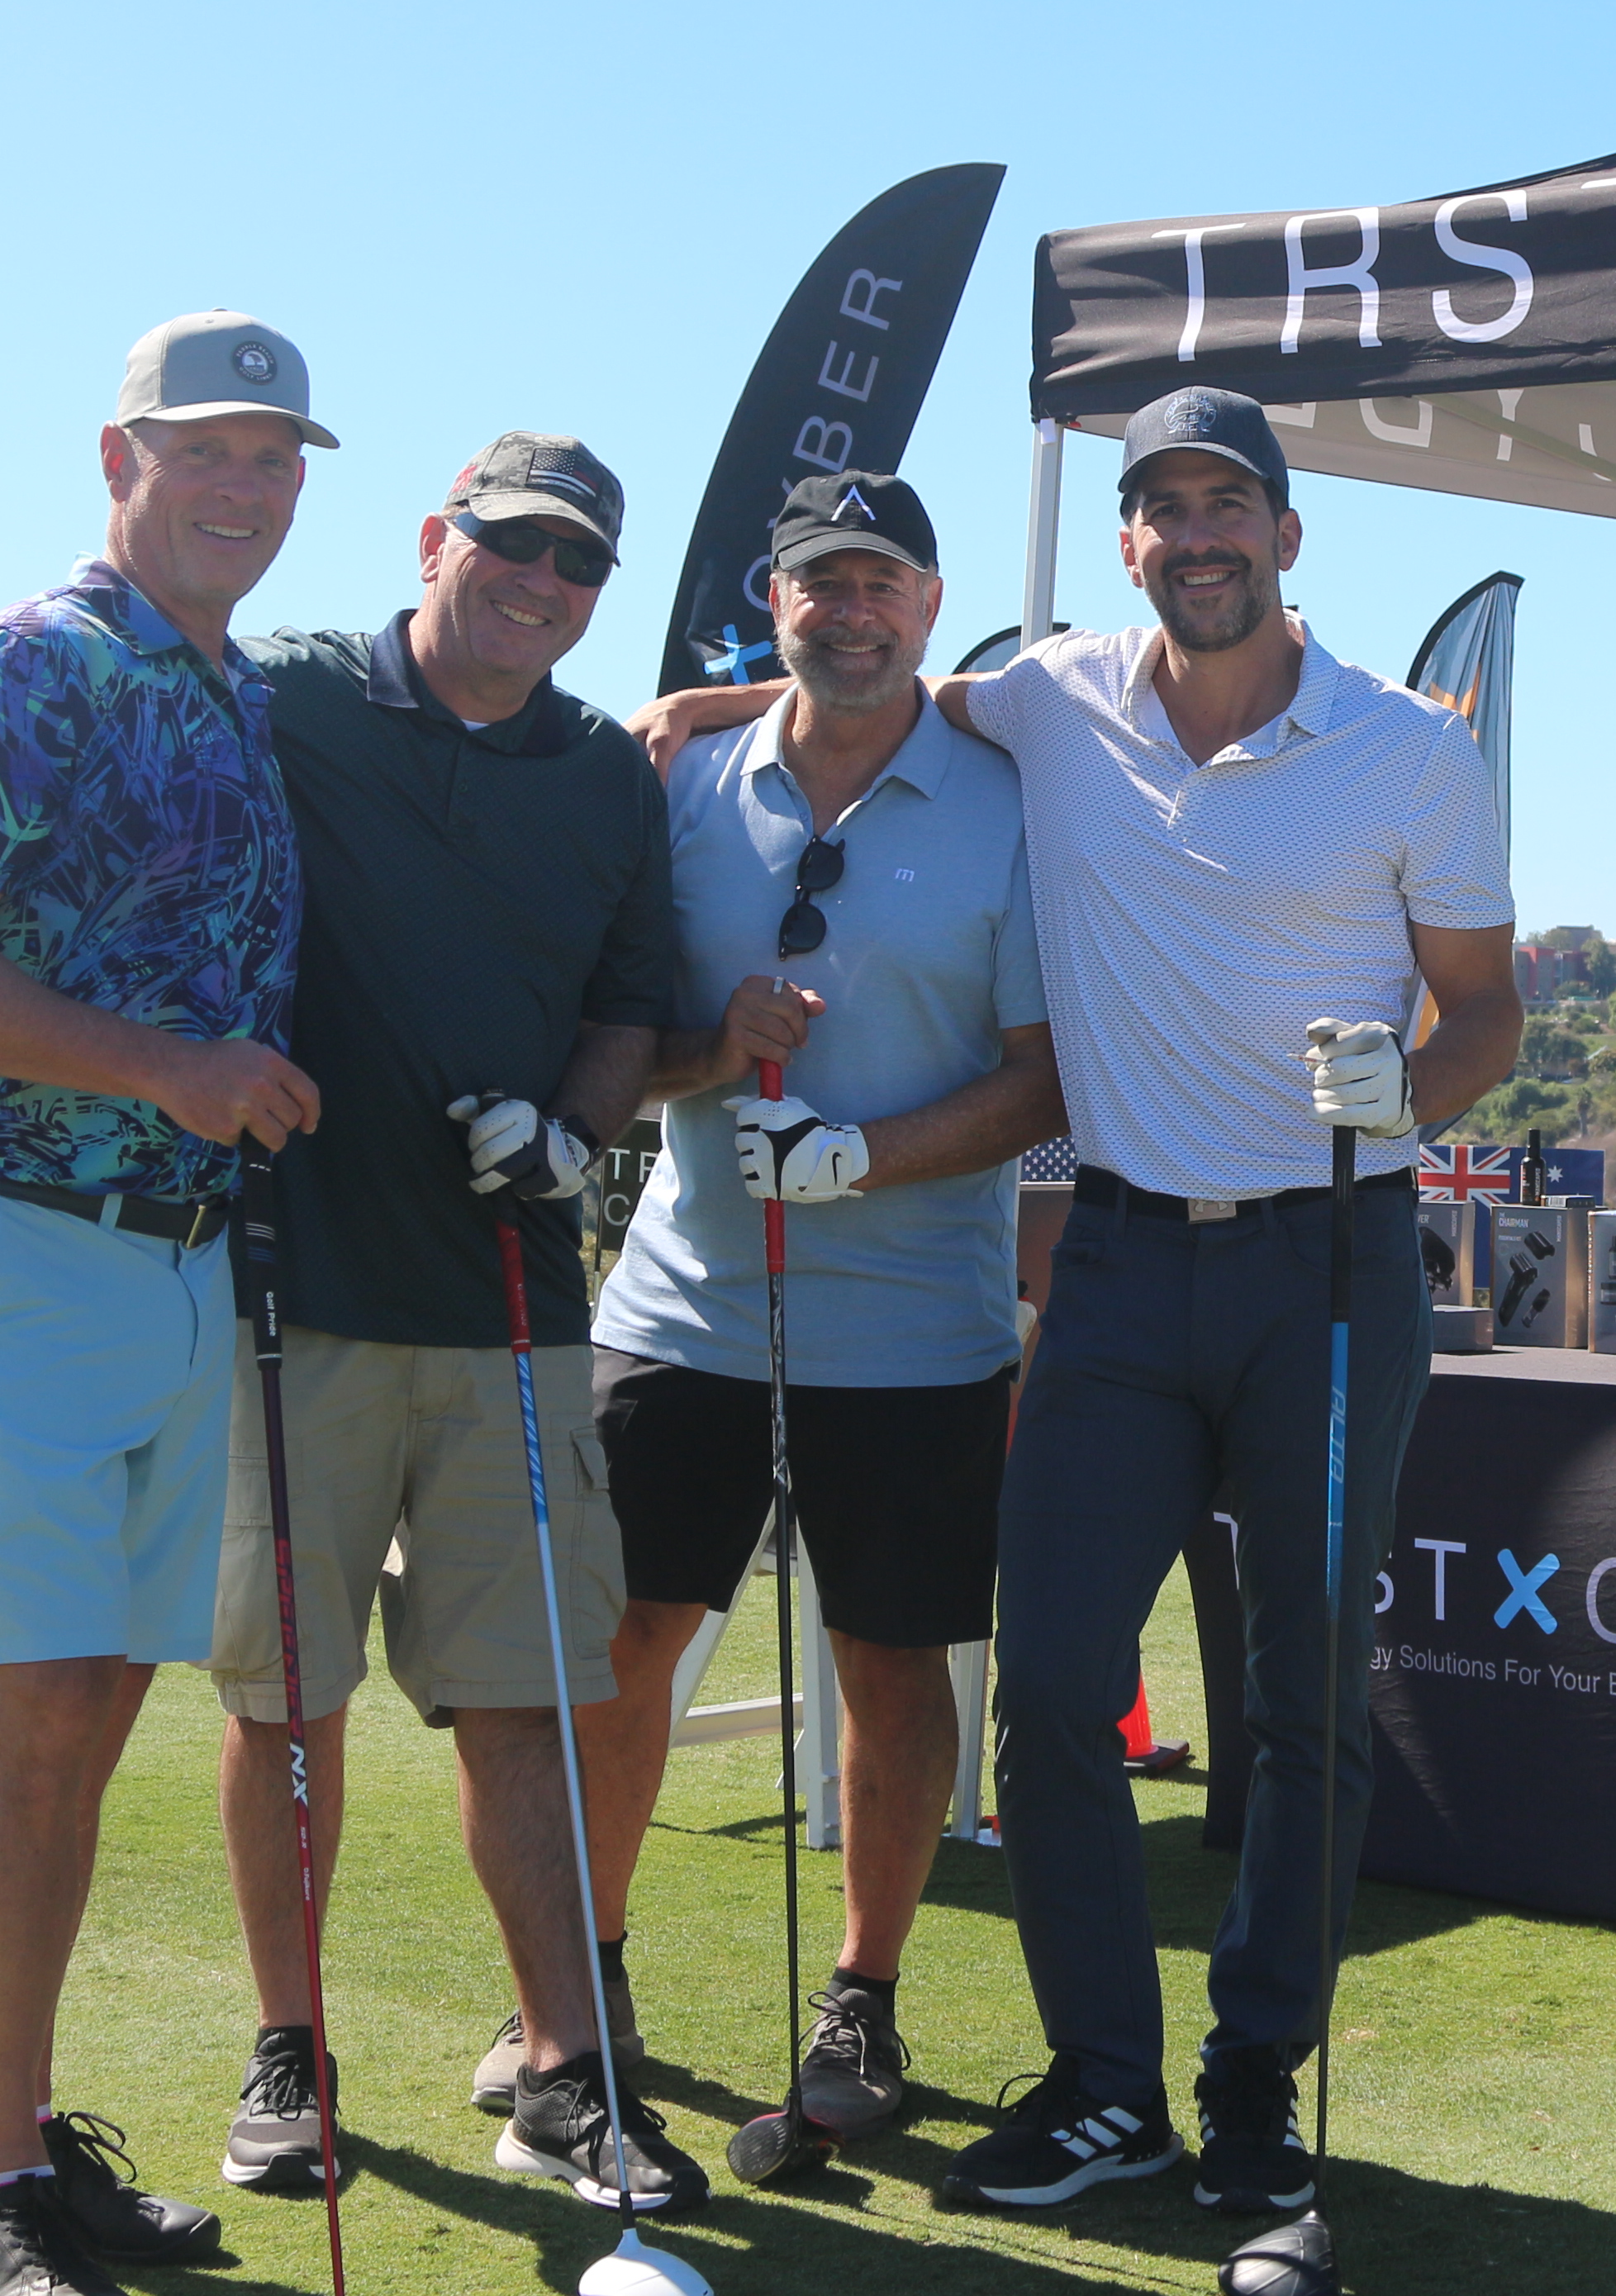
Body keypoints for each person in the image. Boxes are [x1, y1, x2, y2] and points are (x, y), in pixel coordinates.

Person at [639, 385, 1521, 2222]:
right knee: (1047, 1686)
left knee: (1303, 1705)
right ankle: (1108, 2083)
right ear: (1127, 541)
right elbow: (875, 703)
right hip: (1118, 1262)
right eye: (1164, 509)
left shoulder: (1413, 752)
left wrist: (1415, 1093)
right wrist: (702, 714)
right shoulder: (1058, 692)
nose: (1197, 536)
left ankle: (1257, 2077)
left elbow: (1488, 1009)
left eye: (1231, 506)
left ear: (1287, 535)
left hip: (1332, 1265)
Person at [0, 308, 326, 2296]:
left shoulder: (226, 684)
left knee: (98, 1714)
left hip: (174, 1258)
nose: (242, 484)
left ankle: (2, 2133)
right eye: (203, 448)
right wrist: (164, 1066)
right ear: (114, 456)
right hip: (13, 1242)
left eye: (276, 455)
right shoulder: (26, 665)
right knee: (39, 1722)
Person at [207, 431, 707, 2217]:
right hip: (292, 1293)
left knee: (535, 1706)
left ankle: (569, 2077)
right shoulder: (291, 699)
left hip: (509, 1307)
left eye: (579, 567)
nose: (544, 587)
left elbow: (632, 1002)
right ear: (437, 538)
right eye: (515, 546)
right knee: (286, 1703)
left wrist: (573, 1131)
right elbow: (134, 671)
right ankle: (289, 2055)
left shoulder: (600, 775)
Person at [563, 471, 1067, 2150]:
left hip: (918, 1323)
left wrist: (852, 1159)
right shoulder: (679, 776)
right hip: (688, 1305)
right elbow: (615, 1047)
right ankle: (580, 1981)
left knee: (891, 1657)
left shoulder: (1012, 796)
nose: (849, 613)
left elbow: (1036, 1084)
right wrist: (712, 1051)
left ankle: (863, 1997)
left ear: (929, 604)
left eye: (882, 585)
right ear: (771, 608)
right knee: (625, 1640)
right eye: (816, 586)